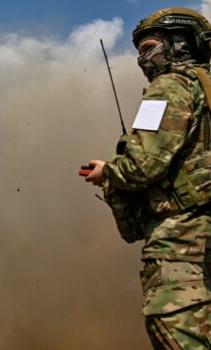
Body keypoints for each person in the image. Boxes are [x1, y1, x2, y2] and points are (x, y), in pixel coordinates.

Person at [84, 8, 211, 349]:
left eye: (149, 47)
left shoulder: (169, 87)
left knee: (175, 328)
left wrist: (106, 172)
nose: (143, 59)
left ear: (180, 44)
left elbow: (143, 165)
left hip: (182, 240)